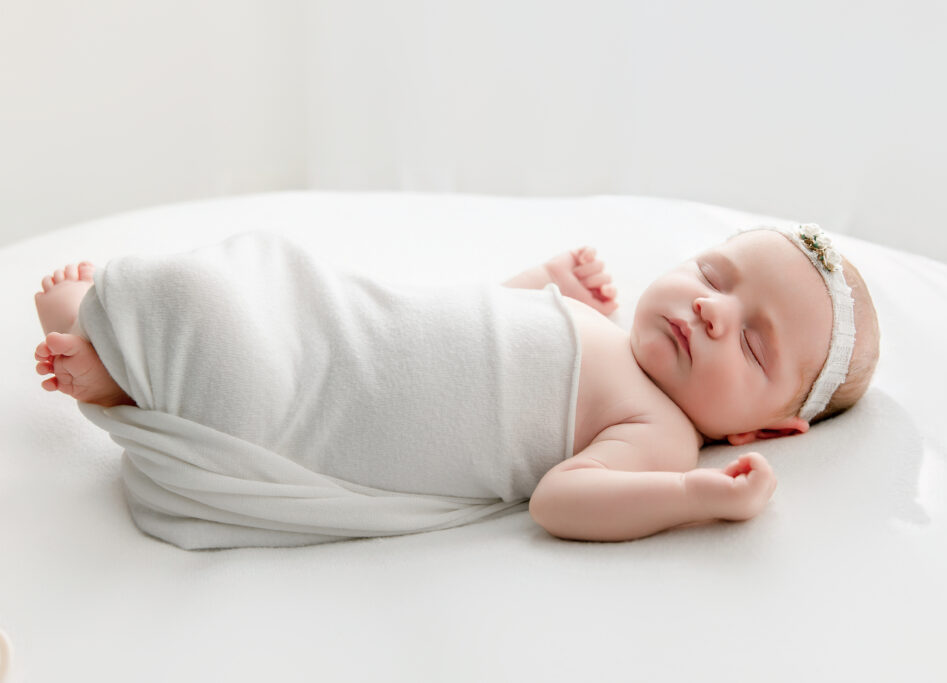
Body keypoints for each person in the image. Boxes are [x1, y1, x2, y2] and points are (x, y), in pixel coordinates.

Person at [32, 225, 879, 545]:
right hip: (347, 331)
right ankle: (112, 337)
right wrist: (544, 282)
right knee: (259, 274)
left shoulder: (656, 430)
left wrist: (693, 495)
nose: (710, 309)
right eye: (713, 271)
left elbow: (562, 500)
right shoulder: (610, 339)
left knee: (220, 339)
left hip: (343, 405)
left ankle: (112, 372)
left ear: (762, 433)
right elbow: (473, 323)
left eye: (755, 343)